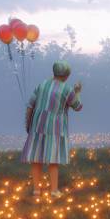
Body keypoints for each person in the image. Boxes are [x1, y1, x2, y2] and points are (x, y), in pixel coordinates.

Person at [21, 60, 83, 198]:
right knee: (53, 158)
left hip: (37, 125)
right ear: (66, 75)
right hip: (56, 127)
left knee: (36, 158)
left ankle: (37, 191)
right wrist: (77, 92)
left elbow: (30, 105)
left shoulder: (42, 85)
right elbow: (78, 107)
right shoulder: (67, 89)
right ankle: (54, 191)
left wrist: (28, 123)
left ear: (54, 72)